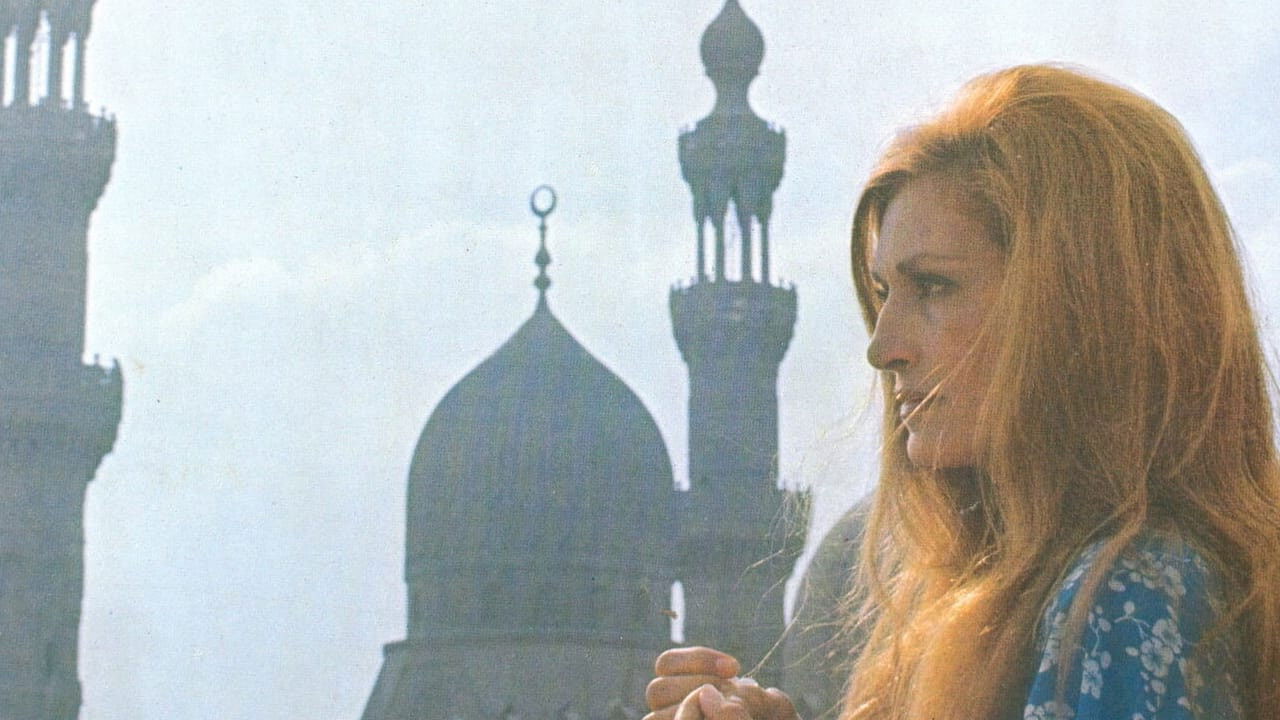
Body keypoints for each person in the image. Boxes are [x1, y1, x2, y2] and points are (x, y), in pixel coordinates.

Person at [644, 64, 1280, 720]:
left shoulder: (1124, 601)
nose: (882, 346)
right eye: (885, 292)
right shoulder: (1096, 592)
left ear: (1078, 309)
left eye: (934, 287)